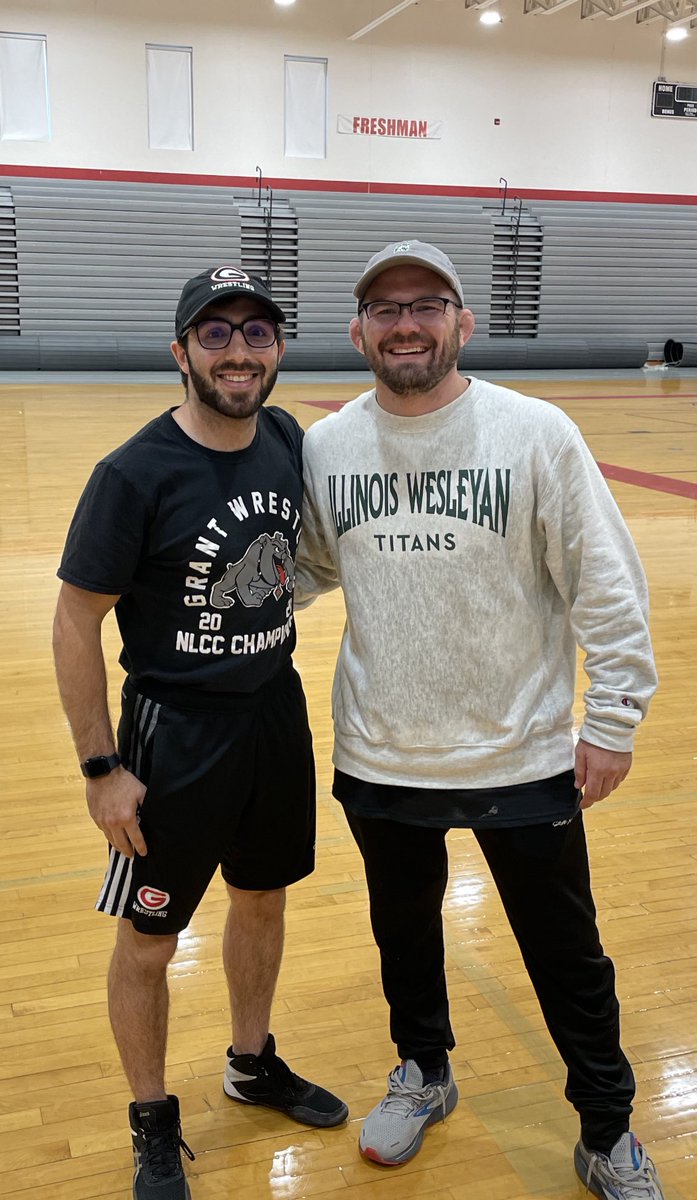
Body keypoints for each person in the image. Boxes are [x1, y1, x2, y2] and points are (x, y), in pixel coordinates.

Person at [295, 240, 665, 1199]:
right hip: (381, 749)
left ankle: (606, 1128)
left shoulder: (534, 431)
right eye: (386, 309)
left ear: (464, 323)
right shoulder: (328, 445)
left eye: (428, 305)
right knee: (402, 933)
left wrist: (614, 715)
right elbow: (307, 567)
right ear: (358, 331)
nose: (406, 324)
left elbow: (606, 583)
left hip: (521, 750)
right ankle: (424, 1070)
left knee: (567, 957)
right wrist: (198, 600)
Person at [52, 266, 348, 1200]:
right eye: (214, 334)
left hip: (273, 715)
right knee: (150, 939)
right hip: (173, 734)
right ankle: (151, 1121)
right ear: (179, 353)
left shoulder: (286, 438)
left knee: (263, 898)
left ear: (279, 351)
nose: (237, 351)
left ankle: (250, 1064)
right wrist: (102, 766)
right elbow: (74, 623)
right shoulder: (133, 474)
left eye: (256, 333)